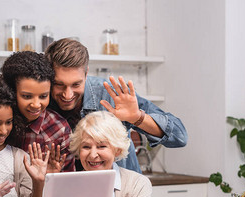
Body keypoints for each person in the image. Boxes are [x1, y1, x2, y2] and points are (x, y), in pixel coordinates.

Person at [44, 38, 188, 172]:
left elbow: (179, 137)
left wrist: (137, 117)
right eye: (59, 84)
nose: (67, 95)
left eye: (76, 84)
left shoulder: (110, 94)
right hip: (69, 194)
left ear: (86, 73)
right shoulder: (41, 100)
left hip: (121, 195)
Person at [1, 51, 75, 172]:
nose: (36, 105)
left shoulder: (59, 129)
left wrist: (51, 177)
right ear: (11, 92)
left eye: (43, 96)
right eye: (27, 96)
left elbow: (68, 182)